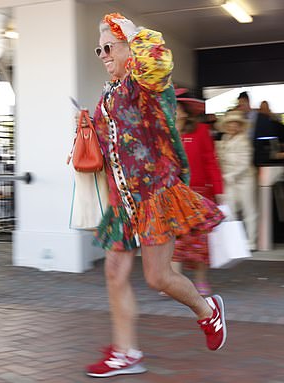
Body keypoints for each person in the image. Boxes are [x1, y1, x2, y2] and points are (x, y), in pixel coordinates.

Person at [84, 13, 226, 378]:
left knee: (157, 277)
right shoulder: (109, 92)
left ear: (128, 47)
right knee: (114, 271)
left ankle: (208, 310)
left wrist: (133, 33)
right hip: (122, 201)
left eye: (108, 47)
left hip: (153, 195)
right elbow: (114, 143)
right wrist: (86, 130)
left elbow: (158, 60)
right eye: (98, 48)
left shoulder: (147, 82)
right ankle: (125, 352)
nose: (102, 54)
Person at [171, 95, 224, 296]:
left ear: (185, 111)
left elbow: (211, 161)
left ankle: (201, 281)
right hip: (173, 195)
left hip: (199, 194)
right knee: (174, 241)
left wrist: (219, 190)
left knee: (199, 242)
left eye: (176, 107)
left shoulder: (201, 131)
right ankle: (174, 283)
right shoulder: (164, 133)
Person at [215, 111, 258, 250]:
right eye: (230, 123)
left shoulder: (244, 140)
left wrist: (230, 175)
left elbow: (245, 163)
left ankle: (251, 241)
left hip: (245, 179)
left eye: (235, 124)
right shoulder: (224, 139)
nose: (232, 126)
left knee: (248, 210)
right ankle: (235, 241)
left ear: (239, 126)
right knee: (230, 210)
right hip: (229, 179)